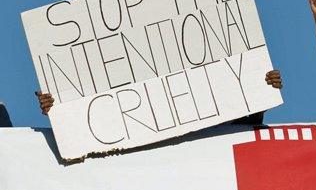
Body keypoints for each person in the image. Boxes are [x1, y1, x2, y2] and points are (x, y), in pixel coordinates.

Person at [35, 72, 283, 124]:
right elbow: (96, 130)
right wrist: (60, 109)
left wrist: (259, 90)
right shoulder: (134, 116)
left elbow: (242, 133)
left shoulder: (208, 101)